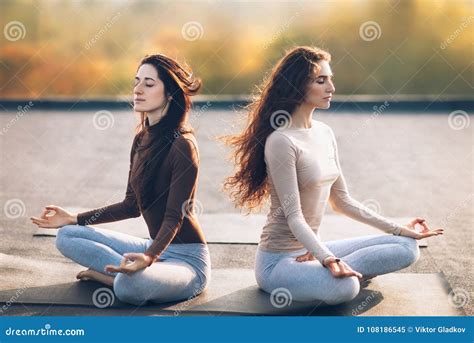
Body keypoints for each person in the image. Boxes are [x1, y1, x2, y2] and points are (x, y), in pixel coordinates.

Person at [222, 46, 443, 305]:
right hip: (279, 263)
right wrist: (329, 259)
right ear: (297, 86)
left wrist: (399, 228)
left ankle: (331, 270)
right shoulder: (281, 141)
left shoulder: (324, 133)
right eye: (321, 80)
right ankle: (337, 273)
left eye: (330, 79)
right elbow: (294, 218)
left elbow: (342, 201)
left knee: (407, 247)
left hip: (312, 251)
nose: (331, 88)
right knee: (345, 288)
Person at [31, 54, 210, 306]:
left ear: (170, 93)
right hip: (151, 246)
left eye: (149, 84)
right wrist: (73, 217)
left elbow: (174, 217)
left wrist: (149, 257)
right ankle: (124, 271)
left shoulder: (183, 145)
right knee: (66, 235)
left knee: (130, 287)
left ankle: (112, 277)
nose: (137, 90)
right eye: (136, 82)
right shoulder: (141, 140)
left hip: (187, 261)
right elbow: (131, 205)